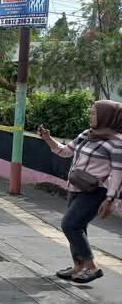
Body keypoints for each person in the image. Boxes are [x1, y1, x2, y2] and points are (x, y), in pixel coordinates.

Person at [39, 100, 122, 284]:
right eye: (91, 113)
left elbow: (118, 174)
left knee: (70, 225)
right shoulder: (87, 134)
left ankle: (92, 267)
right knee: (78, 228)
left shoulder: (117, 143)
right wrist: (47, 138)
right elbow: (65, 151)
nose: (91, 117)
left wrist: (111, 199)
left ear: (107, 117)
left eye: (94, 114)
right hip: (75, 187)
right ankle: (78, 268)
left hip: (96, 192)